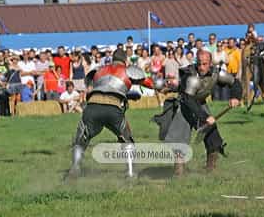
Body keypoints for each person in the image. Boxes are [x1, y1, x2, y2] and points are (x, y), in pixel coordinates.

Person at [65, 49, 153, 179]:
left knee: (81, 138)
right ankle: (130, 173)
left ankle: (75, 167)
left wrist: (128, 95)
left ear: (113, 59)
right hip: (113, 109)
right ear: (125, 60)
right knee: (127, 139)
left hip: (92, 107)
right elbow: (149, 84)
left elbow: (101, 87)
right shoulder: (129, 70)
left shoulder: (99, 70)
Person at [152, 50, 242, 176]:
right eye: (199, 64)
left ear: (210, 63)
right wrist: (205, 117)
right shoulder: (192, 76)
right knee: (180, 140)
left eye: (205, 64)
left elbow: (235, 82)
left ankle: (211, 171)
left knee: (213, 138)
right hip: (185, 105)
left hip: (200, 103)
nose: (201, 67)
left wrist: (235, 97)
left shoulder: (217, 73)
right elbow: (189, 100)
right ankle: (179, 173)